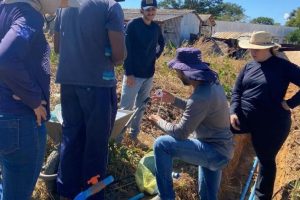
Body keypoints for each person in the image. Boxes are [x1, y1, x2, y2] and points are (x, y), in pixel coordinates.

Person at [54, 0, 126, 199]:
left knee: (71, 137)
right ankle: (91, 195)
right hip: (97, 85)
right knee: (96, 144)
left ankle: (66, 191)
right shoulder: (110, 7)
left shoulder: (65, 6)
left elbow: (58, 47)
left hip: (68, 82)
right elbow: (119, 56)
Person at [0, 0, 70, 199]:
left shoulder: (5, 11)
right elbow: (4, 59)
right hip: (21, 120)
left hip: (6, 115)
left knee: (8, 186)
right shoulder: (29, 15)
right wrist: (31, 97)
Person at [149, 48, 234, 200]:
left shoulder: (201, 96)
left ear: (186, 71)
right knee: (207, 197)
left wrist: (158, 121)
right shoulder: (211, 85)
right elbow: (199, 108)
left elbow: (180, 133)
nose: (177, 73)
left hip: (213, 152)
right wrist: (174, 100)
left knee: (161, 144)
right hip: (221, 149)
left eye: (178, 70)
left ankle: (166, 197)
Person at [230, 31, 300, 200]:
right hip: (245, 119)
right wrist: (233, 111)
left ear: (268, 48)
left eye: (257, 49)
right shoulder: (248, 66)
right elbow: (237, 91)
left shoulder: (283, 66)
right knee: (220, 135)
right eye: (251, 48)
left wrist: (289, 103)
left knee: (266, 159)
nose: (253, 52)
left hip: (272, 124)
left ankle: (262, 196)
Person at [118, 0, 165, 142]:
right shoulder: (133, 25)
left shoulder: (156, 28)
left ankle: (133, 135)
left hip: (148, 74)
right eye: (147, 10)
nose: (150, 12)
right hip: (133, 74)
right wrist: (129, 73)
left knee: (141, 106)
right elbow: (127, 50)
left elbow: (161, 44)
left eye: (153, 9)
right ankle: (118, 137)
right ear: (141, 11)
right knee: (126, 107)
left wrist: (154, 56)